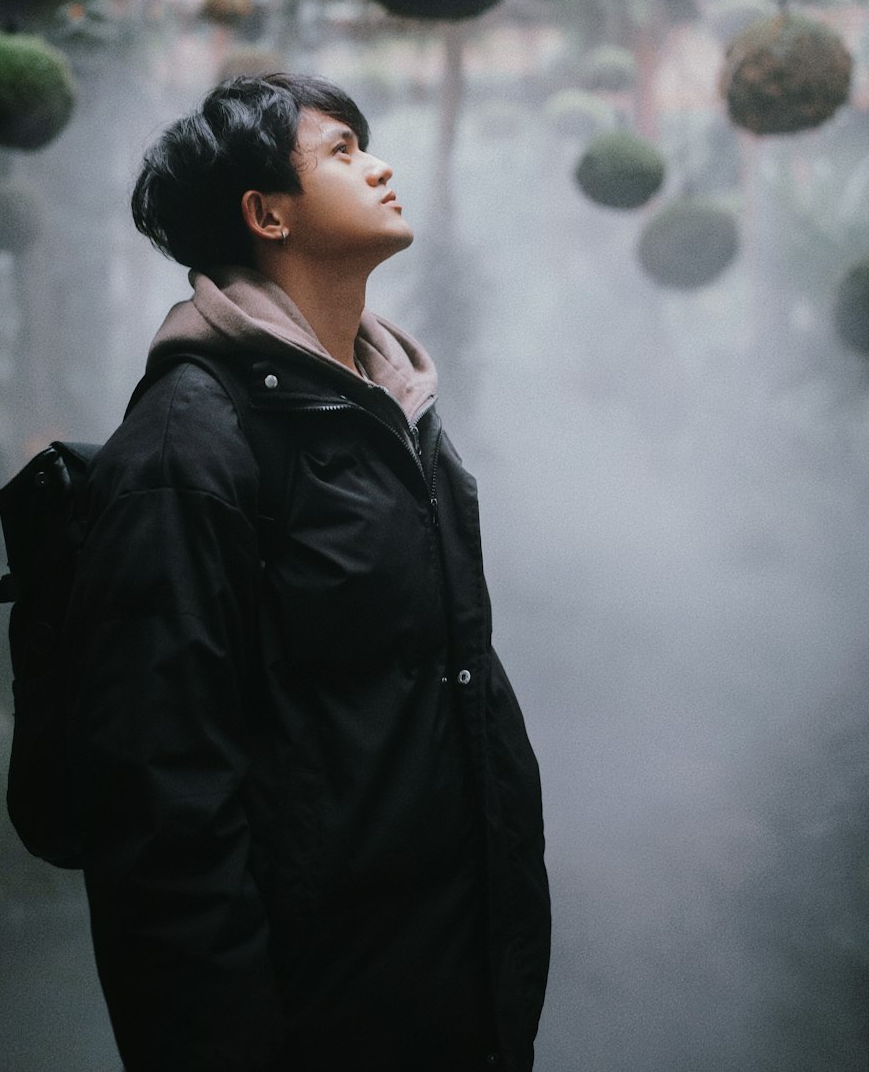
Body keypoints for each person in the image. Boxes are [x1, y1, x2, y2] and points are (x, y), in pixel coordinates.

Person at [64, 71, 551, 1072]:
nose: (377, 166)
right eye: (339, 149)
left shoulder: (396, 411)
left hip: (449, 988)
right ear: (266, 212)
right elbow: (164, 816)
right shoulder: (186, 446)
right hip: (320, 1013)